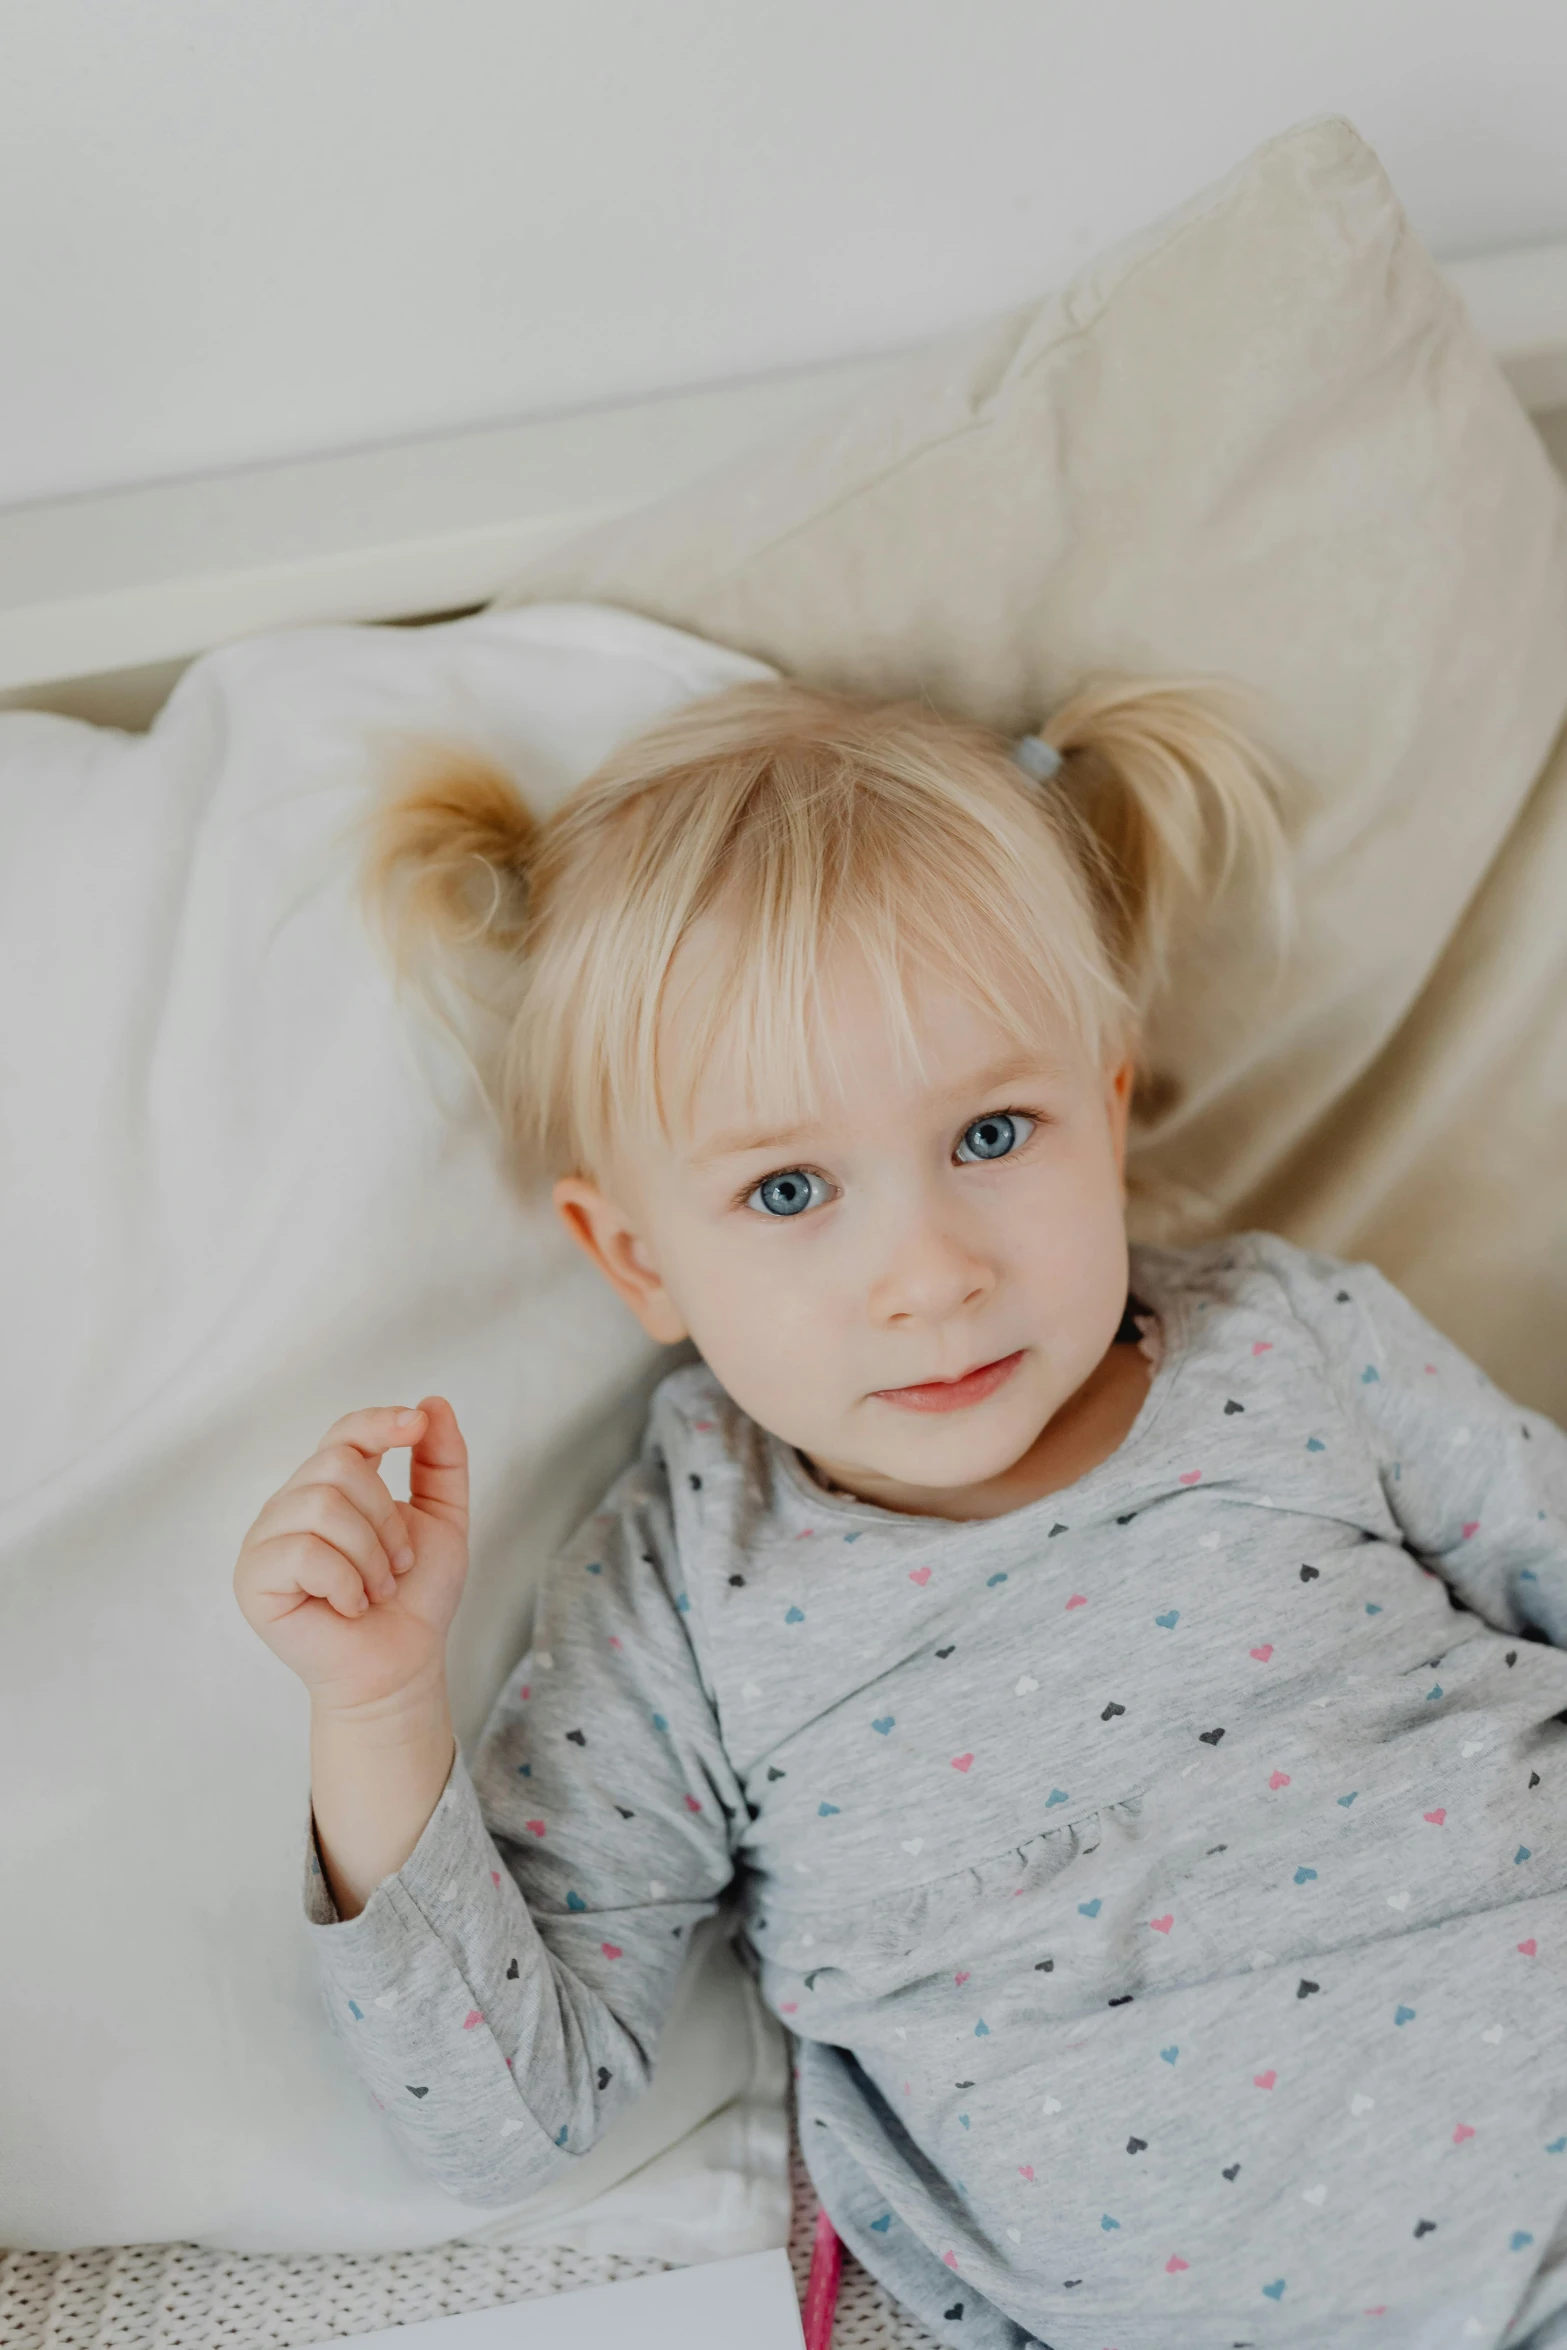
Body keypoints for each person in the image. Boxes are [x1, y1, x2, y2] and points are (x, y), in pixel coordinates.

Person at [234, 675, 1567, 2349]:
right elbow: (508, 2117)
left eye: (993, 1133)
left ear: (1108, 1102)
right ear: (637, 1257)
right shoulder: (684, 1584)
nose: (930, 1274)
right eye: (787, 1190)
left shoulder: (1293, 1341)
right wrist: (372, 1706)